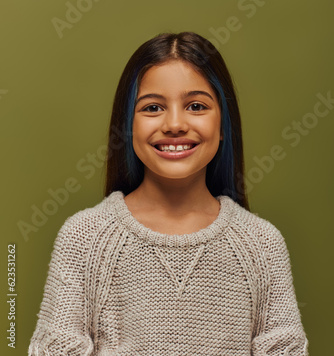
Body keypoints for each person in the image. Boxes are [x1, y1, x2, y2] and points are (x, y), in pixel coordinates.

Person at [28, 31, 309, 355]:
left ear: (222, 126)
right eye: (152, 108)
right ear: (128, 125)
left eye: (196, 105)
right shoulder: (84, 238)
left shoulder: (262, 244)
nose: (174, 124)